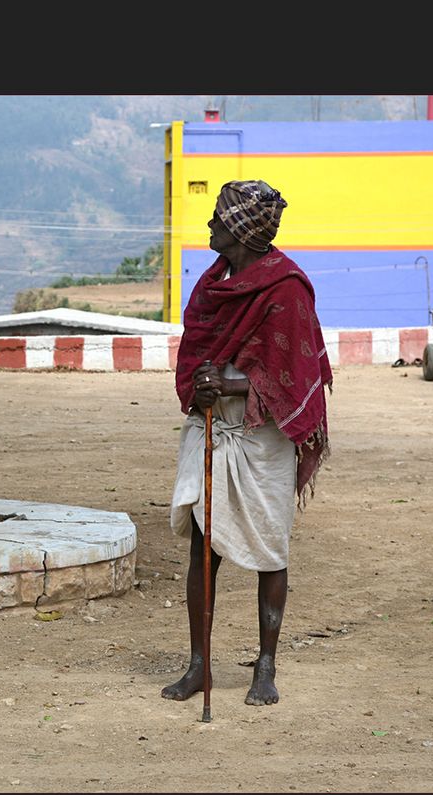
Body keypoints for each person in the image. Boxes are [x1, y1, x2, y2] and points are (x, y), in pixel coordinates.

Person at [162, 180, 332, 706]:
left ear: (239, 229)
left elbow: (296, 374)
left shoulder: (286, 289)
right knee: (201, 547)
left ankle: (265, 667)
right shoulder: (214, 284)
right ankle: (199, 667)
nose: (209, 225)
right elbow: (195, 354)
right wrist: (202, 389)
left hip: (262, 439)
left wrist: (233, 385)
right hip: (212, 429)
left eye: (217, 218)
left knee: (269, 549)